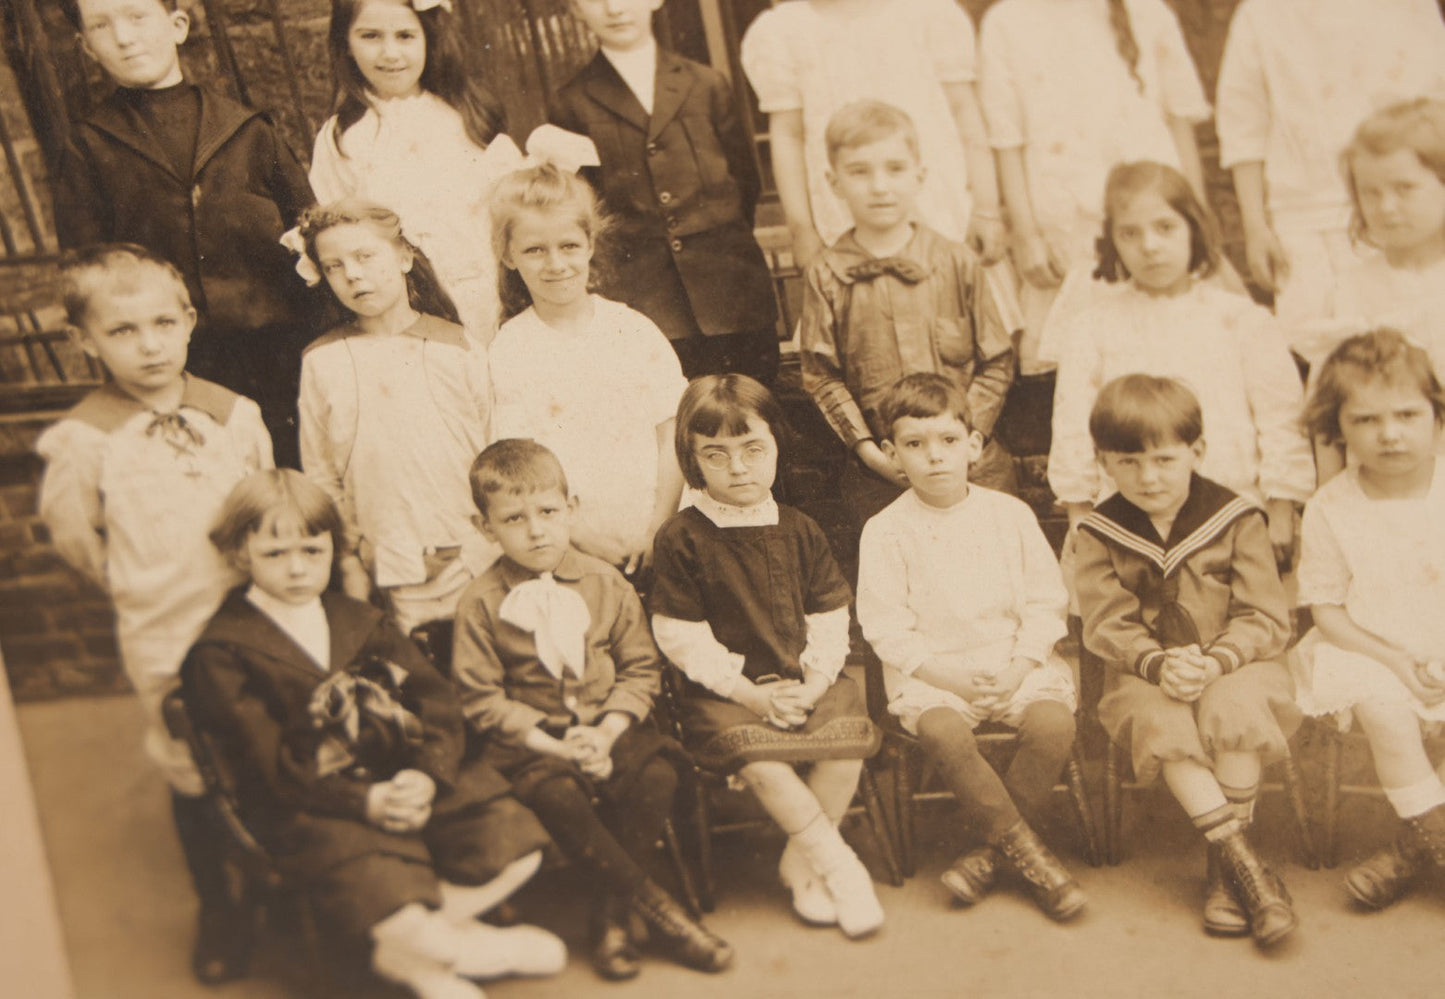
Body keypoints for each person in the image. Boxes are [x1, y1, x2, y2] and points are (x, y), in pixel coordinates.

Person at [182, 469, 563, 999]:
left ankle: (425, 941)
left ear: (331, 550)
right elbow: (262, 762)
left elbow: (435, 704)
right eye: (274, 554)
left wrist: (426, 776)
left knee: (515, 839)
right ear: (240, 555)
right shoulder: (224, 650)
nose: (296, 569)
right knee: (377, 882)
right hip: (312, 801)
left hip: (402, 772)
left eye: (311, 552)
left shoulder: (358, 620)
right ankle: (444, 950)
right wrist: (366, 801)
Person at [35, 245, 274, 982]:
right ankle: (221, 904)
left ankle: (289, 881)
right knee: (192, 764)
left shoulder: (235, 415)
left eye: (163, 324)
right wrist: (138, 584)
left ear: (190, 321)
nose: (149, 346)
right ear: (86, 340)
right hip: (164, 628)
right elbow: (77, 536)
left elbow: (267, 509)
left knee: (266, 745)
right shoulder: (85, 438)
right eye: (124, 331)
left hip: (251, 619)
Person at [451, 439, 732, 981]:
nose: (536, 531)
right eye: (513, 518)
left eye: (548, 513)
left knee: (654, 777)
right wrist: (558, 746)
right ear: (485, 528)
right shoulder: (480, 602)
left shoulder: (607, 583)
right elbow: (482, 700)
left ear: (571, 508)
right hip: (534, 746)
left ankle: (611, 914)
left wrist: (604, 735)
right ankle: (659, 911)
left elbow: (640, 671)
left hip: (611, 728)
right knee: (555, 792)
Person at [650, 374, 885, 939]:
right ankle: (837, 866)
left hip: (805, 681)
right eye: (717, 454)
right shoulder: (682, 537)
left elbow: (829, 616)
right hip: (725, 691)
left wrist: (815, 679)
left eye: (753, 449)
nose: (738, 468)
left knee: (845, 746)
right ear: (692, 460)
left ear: (777, 446)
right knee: (764, 761)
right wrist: (747, 693)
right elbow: (679, 633)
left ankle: (799, 862)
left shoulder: (800, 529)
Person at [1075, 374, 1302, 947]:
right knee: (1162, 719)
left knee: (1236, 707)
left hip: (1239, 662)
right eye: (1127, 462)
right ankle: (1246, 870)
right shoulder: (1100, 532)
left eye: (1163, 459)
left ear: (1196, 452)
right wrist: (1157, 664)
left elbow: (1266, 616)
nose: (1147, 477)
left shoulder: (1236, 519)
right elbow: (1106, 623)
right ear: (1104, 462)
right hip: (1145, 671)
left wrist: (1217, 660)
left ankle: (1224, 878)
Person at [856, 373, 1085, 922]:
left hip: (1012, 662)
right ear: (891, 454)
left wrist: (1020, 666)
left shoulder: (1010, 515)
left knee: (1054, 723)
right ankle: (1032, 858)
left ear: (974, 446)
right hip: (934, 673)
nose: (934, 458)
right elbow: (886, 628)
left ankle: (988, 856)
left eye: (948, 441)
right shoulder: (885, 531)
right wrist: (948, 679)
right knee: (942, 729)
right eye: (914, 445)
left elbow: (1044, 602)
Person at [54, 0, 315, 467]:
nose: (124, 37)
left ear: (177, 26)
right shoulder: (88, 147)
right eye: (101, 25)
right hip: (175, 359)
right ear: (86, 48)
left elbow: (309, 233)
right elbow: (87, 269)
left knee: (294, 476)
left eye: (137, 16)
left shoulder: (248, 130)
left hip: (277, 350)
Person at [1048, 161, 1314, 565]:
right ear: (1112, 242)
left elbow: (1280, 417)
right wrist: (1080, 513)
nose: (1149, 245)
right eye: (1130, 233)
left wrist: (1280, 508)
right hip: (1129, 517)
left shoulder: (1241, 319)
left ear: (1194, 229)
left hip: (1231, 513)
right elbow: (1072, 424)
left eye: (1165, 227)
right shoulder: (1093, 326)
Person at [799, 101, 1017, 541]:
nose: (880, 187)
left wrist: (962, 439)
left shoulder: (956, 261)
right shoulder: (826, 273)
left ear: (919, 176)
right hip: (883, 474)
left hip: (969, 463)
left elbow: (996, 360)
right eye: (860, 172)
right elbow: (822, 377)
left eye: (895, 169)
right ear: (834, 183)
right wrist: (870, 452)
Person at [1293, 329, 1445, 910]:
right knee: (1384, 710)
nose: (1389, 434)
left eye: (1408, 414)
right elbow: (1326, 608)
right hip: (1369, 646)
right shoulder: (1332, 505)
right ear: (1339, 429)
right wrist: (1394, 660)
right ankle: (1433, 832)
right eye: (1365, 420)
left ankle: (1410, 850)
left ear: (1436, 414)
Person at [292, 199, 494, 636]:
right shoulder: (322, 362)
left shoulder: (457, 348)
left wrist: (488, 545)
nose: (353, 275)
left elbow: (495, 449)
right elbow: (322, 474)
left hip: (476, 556)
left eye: (365, 256)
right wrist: (350, 559)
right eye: (333, 266)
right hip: (387, 562)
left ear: (403, 256)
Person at [552, 0, 779, 384]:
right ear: (574, 10)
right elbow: (585, 209)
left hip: (733, 295)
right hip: (649, 303)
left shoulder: (706, 84)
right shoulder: (571, 103)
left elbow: (745, 182)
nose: (614, 9)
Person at [978, 0, 1210, 371]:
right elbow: (1007, 140)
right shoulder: (1007, 22)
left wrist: (1197, 221)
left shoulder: (1148, 12)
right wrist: (1026, 235)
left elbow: (1180, 124)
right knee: (1086, 365)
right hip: (1069, 236)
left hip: (1152, 227)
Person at [488, 163, 686, 578]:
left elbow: (672, 435)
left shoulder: (632, 329)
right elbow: (523, 464)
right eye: (534, 250)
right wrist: (576, 538)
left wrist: (660, 526)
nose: (555, 264)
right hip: (574, 550)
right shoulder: (511, 348)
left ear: (590, 243)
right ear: (508, 255)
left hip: (662, 534)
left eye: (569, 246)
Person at [1216, 0, 1445, 333]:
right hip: (1304, 218)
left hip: (1405, 206)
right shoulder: (1261, 12)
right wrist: (1255, 225)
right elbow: (1243, 124)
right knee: (1319, 335)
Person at [309, 0, 523, 342]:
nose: (390, 53)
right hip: (409, 315)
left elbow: (515, 210)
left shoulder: (467, 117)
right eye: (371, 36)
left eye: (406, 35)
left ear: (429, 37)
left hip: (492, 295)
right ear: (346, 44)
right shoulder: (343, 139)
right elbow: (334, 230)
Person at [740, 0, 1005, 273]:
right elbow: (788, 135)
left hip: (940, 210)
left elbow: (964, 113)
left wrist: (986, 209)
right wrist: (801, 228)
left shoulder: (930, 13)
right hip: (846, 217)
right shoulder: (783, 31)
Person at [1298, 99, 1445, 481]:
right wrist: (1327, 495)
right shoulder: (1351, 289)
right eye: (1371, 193)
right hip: (1383, 489)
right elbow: (1326, 412)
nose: (1387, 207)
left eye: (1404, 188)